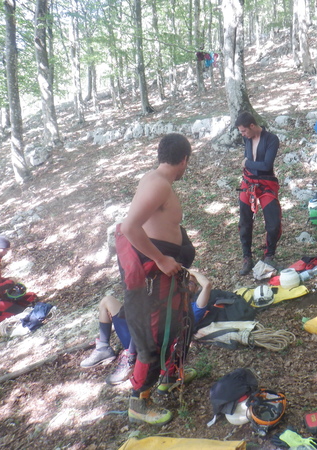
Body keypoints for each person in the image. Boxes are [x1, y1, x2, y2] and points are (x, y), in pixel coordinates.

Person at [115, 133, 197, 426]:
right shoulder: (158, 184)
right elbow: (129, 227)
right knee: (153, 336)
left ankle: (169, 375)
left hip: (167, 275)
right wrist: (161, 259)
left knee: (179, 323)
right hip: (155, 277)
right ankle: (139, 401)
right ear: (184, 160)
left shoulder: (157, 181)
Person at [80, 269, 212, 388]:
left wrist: (190, 272)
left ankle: (130, 359)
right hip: (136, 332)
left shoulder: (194, 309)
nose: (187, 284)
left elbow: (207, 285)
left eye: (191, 283)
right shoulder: (169, 301)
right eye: (185, 281)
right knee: (107, 300)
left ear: (196, 290)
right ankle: (103, 348)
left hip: (146, 344)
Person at [235, 111, 282, 276]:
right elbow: (253, 163)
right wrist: (248, 164)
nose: (242, 134)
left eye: (244, 131)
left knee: (273, 222)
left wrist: (247, 163)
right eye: (241, 132)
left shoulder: (271, 139)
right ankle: (247, 257)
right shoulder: (247, 138)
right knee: (244, 221)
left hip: (266, 184)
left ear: (252, 126)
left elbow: (266, 165)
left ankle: (269, 255)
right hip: (247, 183)